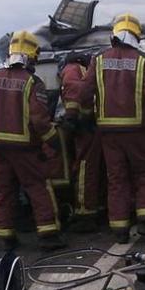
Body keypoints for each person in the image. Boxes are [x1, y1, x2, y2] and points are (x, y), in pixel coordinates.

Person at [0, 30, 66, 250]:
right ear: (31, 55)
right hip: (25, 149)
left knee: (4, 190)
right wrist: (54, 141)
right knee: (38, 188)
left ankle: (6, 235)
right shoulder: (32, 82)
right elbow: (39, 119)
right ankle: (48, 235)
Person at [79, 13, 145, 243]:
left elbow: (85, 93)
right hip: (138, 131)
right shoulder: (143, 61)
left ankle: (119, 229)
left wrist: (87, 117)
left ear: (114, 35)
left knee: (116, 178)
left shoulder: (98, 60)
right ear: (136, 36)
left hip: (108, 132)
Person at [60, 51, 101, 233]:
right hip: (95, 124)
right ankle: (97, 206)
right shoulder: (87, 69)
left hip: (85, 128)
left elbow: (74, 91)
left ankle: (85, 212)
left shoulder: (71, 69)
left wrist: (71, 118)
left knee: (84, 168)